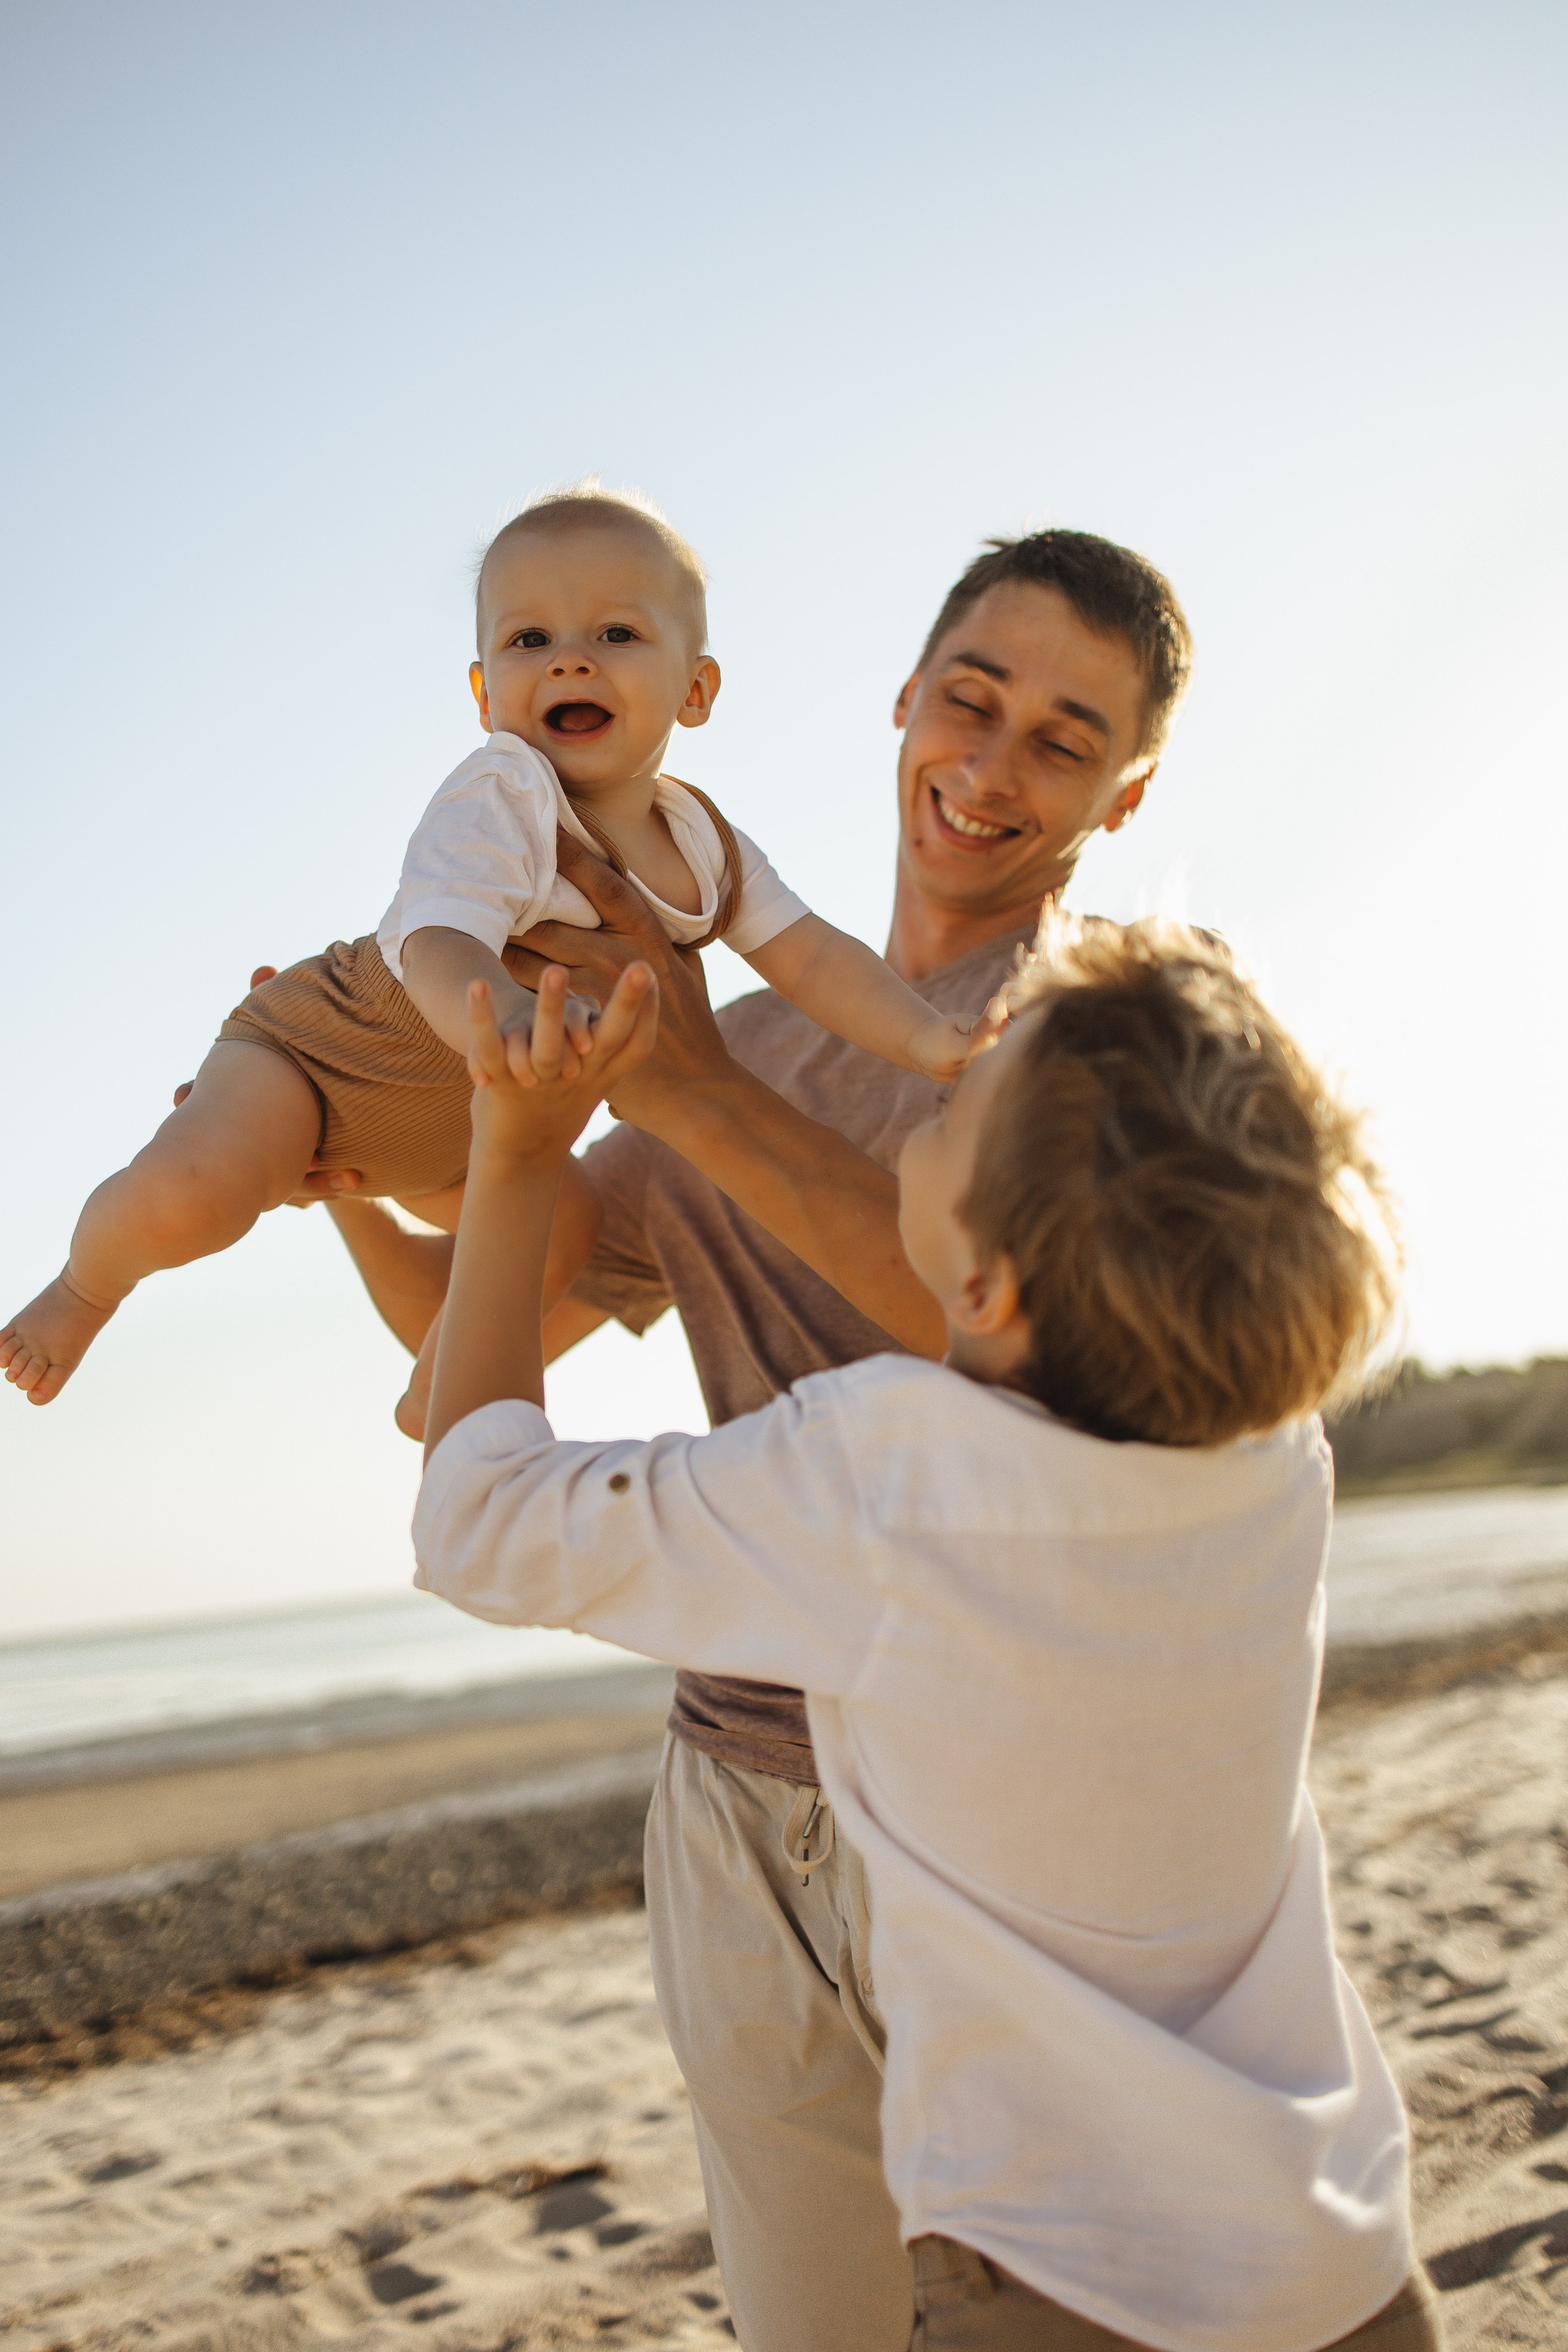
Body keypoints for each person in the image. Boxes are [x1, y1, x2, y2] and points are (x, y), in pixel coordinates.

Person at [304, 526, 1196, 2351]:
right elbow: (461, 1357)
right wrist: (326, 1160)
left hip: (994, 1809)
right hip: (734, 1815)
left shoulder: (1137, 1034)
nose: (991, 765)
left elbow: (1030, 1360)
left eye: (1063, 736)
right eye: (972, 701)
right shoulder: (728, 1038)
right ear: (902, 702)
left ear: (1131, 785)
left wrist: (690, 1087)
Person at [408, 918, 1436, 2352]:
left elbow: (477, 1519)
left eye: (953, 1109)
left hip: (1062, 2290)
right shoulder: (1273, 1466)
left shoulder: (886, 1481)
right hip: (1335, 2265)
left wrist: (515, 1152)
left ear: (988, 1283)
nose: (924, 1106)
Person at [0, 485, 982, 1408]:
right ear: (484, 692)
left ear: (696, 688)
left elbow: (812, 957)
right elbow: (436, 941)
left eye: (616, 633)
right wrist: (508, 1019)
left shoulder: (703, 844)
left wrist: (930, 1038)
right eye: (529, 639)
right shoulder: (503, 794)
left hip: (470, 1132)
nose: (569, 659)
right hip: (324, 1058)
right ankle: (84, 1290)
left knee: (567, 1229)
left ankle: (440, 1380)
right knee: (198, 1194)